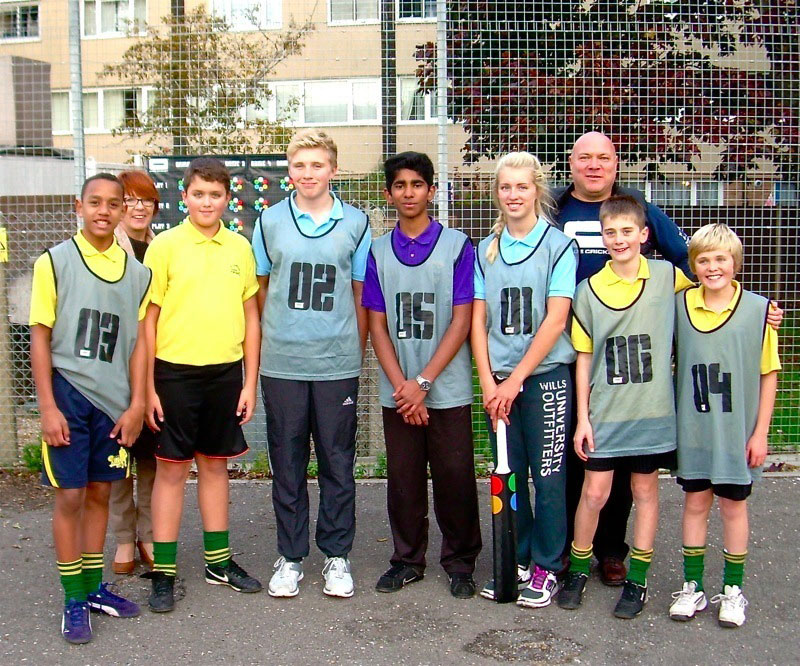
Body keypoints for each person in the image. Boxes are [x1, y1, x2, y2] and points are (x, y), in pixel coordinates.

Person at [553, 131, 692, 586]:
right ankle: (573, 549)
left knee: (626, 457)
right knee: (580, 455)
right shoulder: (553, 209)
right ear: (570, 164)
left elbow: (689, 261)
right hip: (569, 350)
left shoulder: (641, 210)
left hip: (628, 363)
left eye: (604, 158)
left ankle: (613, 551)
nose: (594, 165)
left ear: (616, 165)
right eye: (585, 158)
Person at [30, 173, 150, 643]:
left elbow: (140, 346)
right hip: (67, 394)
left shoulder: (138, 273)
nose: (104, 210)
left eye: (113, 203)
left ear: (123, 210)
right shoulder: (55, 262)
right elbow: (40, 335)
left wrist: (137, 402)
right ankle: (72, 596)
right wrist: (47, 407)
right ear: (78, 206)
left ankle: (94, 586)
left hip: (113, 402)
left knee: (101, 493)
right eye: (94, 202)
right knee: (71, 496)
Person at [252, 130, 370, 599]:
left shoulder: (357, 223)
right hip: (282, 362)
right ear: (289, 170)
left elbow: (361, 295)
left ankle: (336, 556)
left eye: (317, 165)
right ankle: (291, 556)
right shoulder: (269, 222)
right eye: (299, 165)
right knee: (287, 460)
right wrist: (266, 345)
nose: (308, 174)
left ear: (333, 170)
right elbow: (261, 289)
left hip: (335, 362)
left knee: (338, 462)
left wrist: (353, 350)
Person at [144, 157, 262, 613]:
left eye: (215, 195)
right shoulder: (165, 247)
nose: (206, 202)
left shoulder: (239, 248)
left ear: (227, 199)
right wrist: (151, 385)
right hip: (173, 373)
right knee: (172, 470)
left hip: (225, 373)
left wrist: (249, 381)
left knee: (214, 466)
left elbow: (251, 317)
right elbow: (148, 318)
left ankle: (218, 561)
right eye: (198, 194)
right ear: (184, 196)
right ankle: (164, 572)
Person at [362, 152, 482, 599]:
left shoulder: (457, 246)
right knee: (404, 478)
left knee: (454, 474)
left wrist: (424, 383)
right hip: (400, 390)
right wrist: (403, 387)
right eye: (400, 185)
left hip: (443, 388)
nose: (408, 192)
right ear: (388, 192)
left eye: (417, 184)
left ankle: (460, 561)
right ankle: (407, 559)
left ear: (432, 190)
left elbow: (461, 319)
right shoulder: (376, 250)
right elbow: (376, 325)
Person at [473, 152, 578, 608]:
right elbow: (477, 322)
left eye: (522, 186)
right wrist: (488, 382)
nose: (513, 195)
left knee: (548, 476)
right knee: (509, 476)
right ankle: (515, 558)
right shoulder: (484, 250)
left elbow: (556, 320)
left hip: (544, 378)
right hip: (500, 383)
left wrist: (514, 381)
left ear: (537, 190)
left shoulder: (559, 246)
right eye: (505, 187)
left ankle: (547, 565)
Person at [668, 223, 779, 628]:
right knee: (695, 504)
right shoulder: (679, 305)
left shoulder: (758, 310)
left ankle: (733, 591)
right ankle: (692, 586)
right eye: (704, 259)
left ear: (736, 263)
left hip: (736, 430)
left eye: (721, 259)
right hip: (695, 430)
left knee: (734, 507)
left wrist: (761, 432)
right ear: (693, 265)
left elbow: (769, 373)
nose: (713, 267)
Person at [109, 170, 159, 574]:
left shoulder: (163, 249)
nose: (139, 207)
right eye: (130, 199)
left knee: (153, 458)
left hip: (158, 366)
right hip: (114, 368)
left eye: (146, 200)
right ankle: (124, 538)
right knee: (118, 458)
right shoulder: (107, 250)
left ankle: (148, 535)